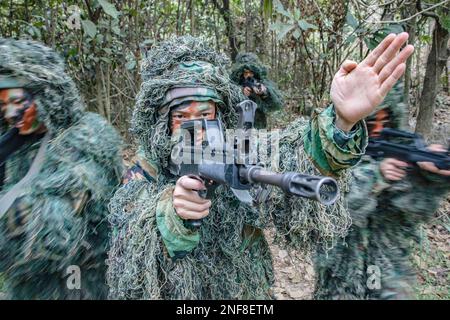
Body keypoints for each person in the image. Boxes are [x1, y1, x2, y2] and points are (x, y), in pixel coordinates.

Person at [106, 33, 413, 299]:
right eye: (182, 116)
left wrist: (342, 121)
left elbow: (292, 154)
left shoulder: (235, 148)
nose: (197, 128)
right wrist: (170, 212)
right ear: (161, 123)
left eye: (206, 113)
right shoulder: (144, 170)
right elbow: (127, 238)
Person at [313, 27, 450, 300]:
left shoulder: (401, 147)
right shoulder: (329, 147)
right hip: (341, 263)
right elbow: (330, 199)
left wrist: (432, 174)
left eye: (383, 120)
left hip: (383, 261)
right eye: (367, 122)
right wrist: (376, 175)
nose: (375, 128)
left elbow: (415, 208)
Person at [0, 39, 123, 299]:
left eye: (18, 101)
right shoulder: (14, 143)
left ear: (46, 97)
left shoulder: (88, 139)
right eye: (3, 105)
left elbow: (56, 231)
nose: (11, 114)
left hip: (81, 281)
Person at [230, 53, 283, 128]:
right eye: (246, 72)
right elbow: (228, 95)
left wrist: (264, 93)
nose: (248, 75)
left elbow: (276, 103)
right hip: (238, 123)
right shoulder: (234, 82)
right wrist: (241, 91)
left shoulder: (261, 81)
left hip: (258, 124)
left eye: (251, 72)